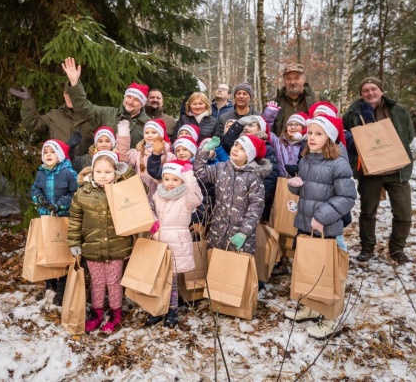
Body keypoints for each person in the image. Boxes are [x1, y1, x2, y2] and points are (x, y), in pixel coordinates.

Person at [283, 114, 356, 340]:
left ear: (330, 138)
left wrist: (323, 216)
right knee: (308, 268)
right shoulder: (306, 159)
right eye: (310, 133)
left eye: (318, 134)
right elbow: (309, 189)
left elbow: (347, 197)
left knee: (328, 273)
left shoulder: (338, 164)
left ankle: (330, 317)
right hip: (305, 225)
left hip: (325, 228)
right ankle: (310, 306)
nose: (312, 138)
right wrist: (296, 187)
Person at [342, 77, 415, 264]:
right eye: (365, 90)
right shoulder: (352, 112)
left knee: (403, 213)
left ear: (381, 91)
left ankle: (397, 249)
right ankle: (367, 248)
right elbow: (346, 135)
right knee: (368, 212)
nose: (370, 93)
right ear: (361, 94)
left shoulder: (398, 110)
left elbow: (409, 135)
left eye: (373, 88)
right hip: (369, 172)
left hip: (397, 170)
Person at [67, 151, 135, 333]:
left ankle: (115, 313)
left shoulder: (122, 189)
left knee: (113, 282)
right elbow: (75, 219)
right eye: (99, 172)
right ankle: (96, 313)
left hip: (117, 245)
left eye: (108, 172)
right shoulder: (83, 193)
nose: (103, 176)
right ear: (92, 172)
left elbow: (141, 190)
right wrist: (74, 241)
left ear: (115, 172)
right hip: (92, 245)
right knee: (96, 282)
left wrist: (126, 172)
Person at [145, 160, 203, 328]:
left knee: (172, 282)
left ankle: (172, 311)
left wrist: (189, 175)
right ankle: (157, 309)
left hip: (177, 242)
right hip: (159, 240)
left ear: (182, 181)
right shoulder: (158, 194)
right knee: (158, 279)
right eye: (167, 179)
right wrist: (153, 222)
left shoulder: (186, 197)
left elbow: (198, 198)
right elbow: (149, 207)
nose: (170, 183)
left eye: (175, 179)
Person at [194, 134, 270, 255]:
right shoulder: (221, 168)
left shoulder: (254, 178)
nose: (236, 149)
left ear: (250, 156)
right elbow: (199, 172)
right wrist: (204, 150)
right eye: (236, 145)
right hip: (217, 230)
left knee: (236, 268)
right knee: (215, 264)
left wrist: (244, 233)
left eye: (242, 149)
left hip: (240, 235)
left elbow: (256, 208)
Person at [30, 139, 78, 307]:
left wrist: (60, 204)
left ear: (59, 155)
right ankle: (50, 285)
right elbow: (35, 188)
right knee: (48, 251)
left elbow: (75, 192)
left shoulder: (68, 172)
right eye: (45, 152)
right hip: (47, 218)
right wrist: (39, 199)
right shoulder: (41, 172)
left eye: (52, 152)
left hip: (64, 218)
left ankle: (63, 289)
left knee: (63, 252)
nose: (48, 155)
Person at [62, 57, 149, 148]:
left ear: (142, 104)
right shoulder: (106, 114)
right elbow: (84, 107)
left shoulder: (148, 124)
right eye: (129, 97)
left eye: (136, 100)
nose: (130, 102)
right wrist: (74, 83)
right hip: (104, 161)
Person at [10, 86, 92, 159]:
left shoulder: (92, 115)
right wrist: (27, 102)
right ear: (64, 94)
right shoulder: (54, 115)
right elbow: (32, 124)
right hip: (59, 169)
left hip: (85, 170)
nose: (70, 97)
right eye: (68, 94)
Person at [116, 118, 175, 202]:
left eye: (154, 132)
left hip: (161, 199)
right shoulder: (137, 153)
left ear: (161, 135)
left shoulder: (170, 157)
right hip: (139, 197)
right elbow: (123, 158)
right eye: (147, 132)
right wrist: (123, 136)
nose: (149, 135)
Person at [271, 63, 321, 136]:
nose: (292, 82)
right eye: (288, 78)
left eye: (297, 78)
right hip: (281, 146)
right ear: (284, 80)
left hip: (311, 146)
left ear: (304, 79)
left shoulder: (317, 99)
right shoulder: (274, 103)